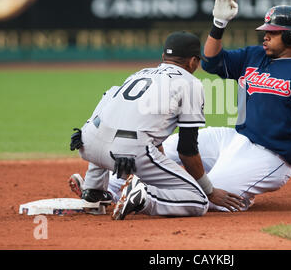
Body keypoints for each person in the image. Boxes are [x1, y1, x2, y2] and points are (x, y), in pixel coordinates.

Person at [105, 0, 291, 213]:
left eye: (273, 32)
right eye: (266, 31)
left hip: (270, 156)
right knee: (166, 145)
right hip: (234, 138)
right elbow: (210, 62)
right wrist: (218, 25)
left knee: (210, 195)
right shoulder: (255, 57)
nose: (265, 35)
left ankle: (146, 197)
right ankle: (108, 190)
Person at [69, 31, 244, 220]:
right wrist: (209, 191)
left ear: (163, 57)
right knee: (198, 200)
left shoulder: (139, 73)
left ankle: (93, 192)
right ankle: (144, 196)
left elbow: (110, 100)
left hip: (87, 142)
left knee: (108, 128)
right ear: (194, 61)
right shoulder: (190, 83)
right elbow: (187, 150)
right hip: (128, 152)